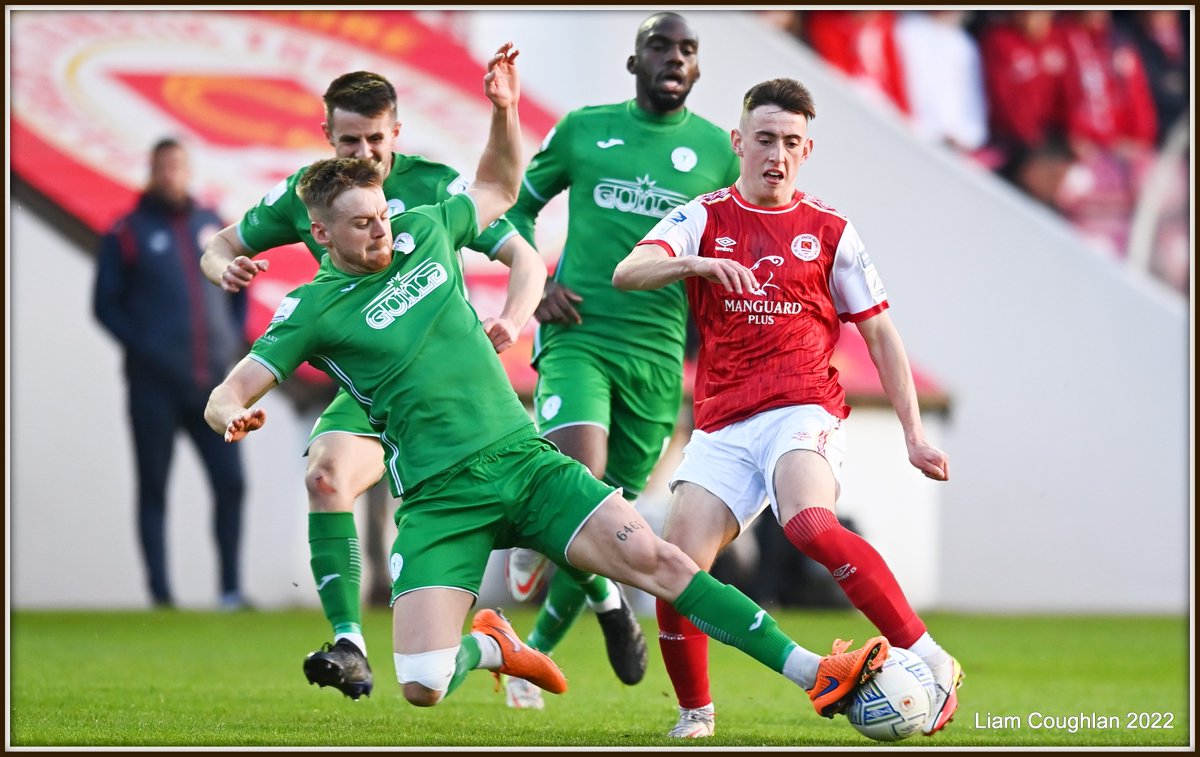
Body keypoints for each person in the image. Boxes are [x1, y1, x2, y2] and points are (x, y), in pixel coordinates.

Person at [204, 45, 890, 719]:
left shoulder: (425, 224)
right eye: (363, 224)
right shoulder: (310, 311)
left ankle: (814, 671)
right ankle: (493, 643)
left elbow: (502, 191)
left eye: (383, 213)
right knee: (422, 683)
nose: (383, 229)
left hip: (525, 463)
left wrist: (503, 113)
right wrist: (230, 413)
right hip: (440, 497)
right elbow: (231, 388)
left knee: (662, 560)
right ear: (321, 233)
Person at [612, 77, 964, 738]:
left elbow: (881, 333)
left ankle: (932, 658)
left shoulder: (830, 229)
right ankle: (696, 712)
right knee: (677, 571)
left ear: (808, 150)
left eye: (792, 143)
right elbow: (628, 271)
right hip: (722, 422)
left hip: (803, 407)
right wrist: (697, 267)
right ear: (738, 142)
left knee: (806, 521)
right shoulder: (703, 218)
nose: (777, 154)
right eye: (766, 139)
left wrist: (914, 434)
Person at [199, 70, 545, 699]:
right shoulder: (311, 195)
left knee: (564, 516)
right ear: (327, 136)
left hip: (450, 394)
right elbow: (217, 244)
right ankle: (351, 643)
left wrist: (513, 319)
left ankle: (587, 592)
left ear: (397, 133)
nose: (363, 156)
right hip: (372, 387)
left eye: (375, 141)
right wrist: (228, 266)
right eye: (348, 142)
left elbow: (523, 254)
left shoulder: (435, 188)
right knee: (324, 477)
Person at [500, 11, 740, 714]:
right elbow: (516, 209)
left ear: (698, 68)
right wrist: (536, 280)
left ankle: (534, 650)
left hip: (660, 358)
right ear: (634, 63)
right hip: (581, 333)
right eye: (659, 47)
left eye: (687, 50)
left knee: (608, 511)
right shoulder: (583, 129)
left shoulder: (718, 153)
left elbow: (742, 243)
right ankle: (607, 601)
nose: (673, 58)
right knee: (585, 476)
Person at [93, 138, 247, 610]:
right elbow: (105, 305)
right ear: (151, 170)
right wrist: (147, 348)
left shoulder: (211, 226)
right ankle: (160, 594)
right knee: (154, 486)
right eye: (162, 167)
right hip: (152, 386)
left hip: (210, 387)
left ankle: (229, 591)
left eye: (177, 166)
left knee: (231, 483)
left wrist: (230, 340)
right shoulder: (127, 231)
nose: (170, 174)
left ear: (187, 170)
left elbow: (237, 290)